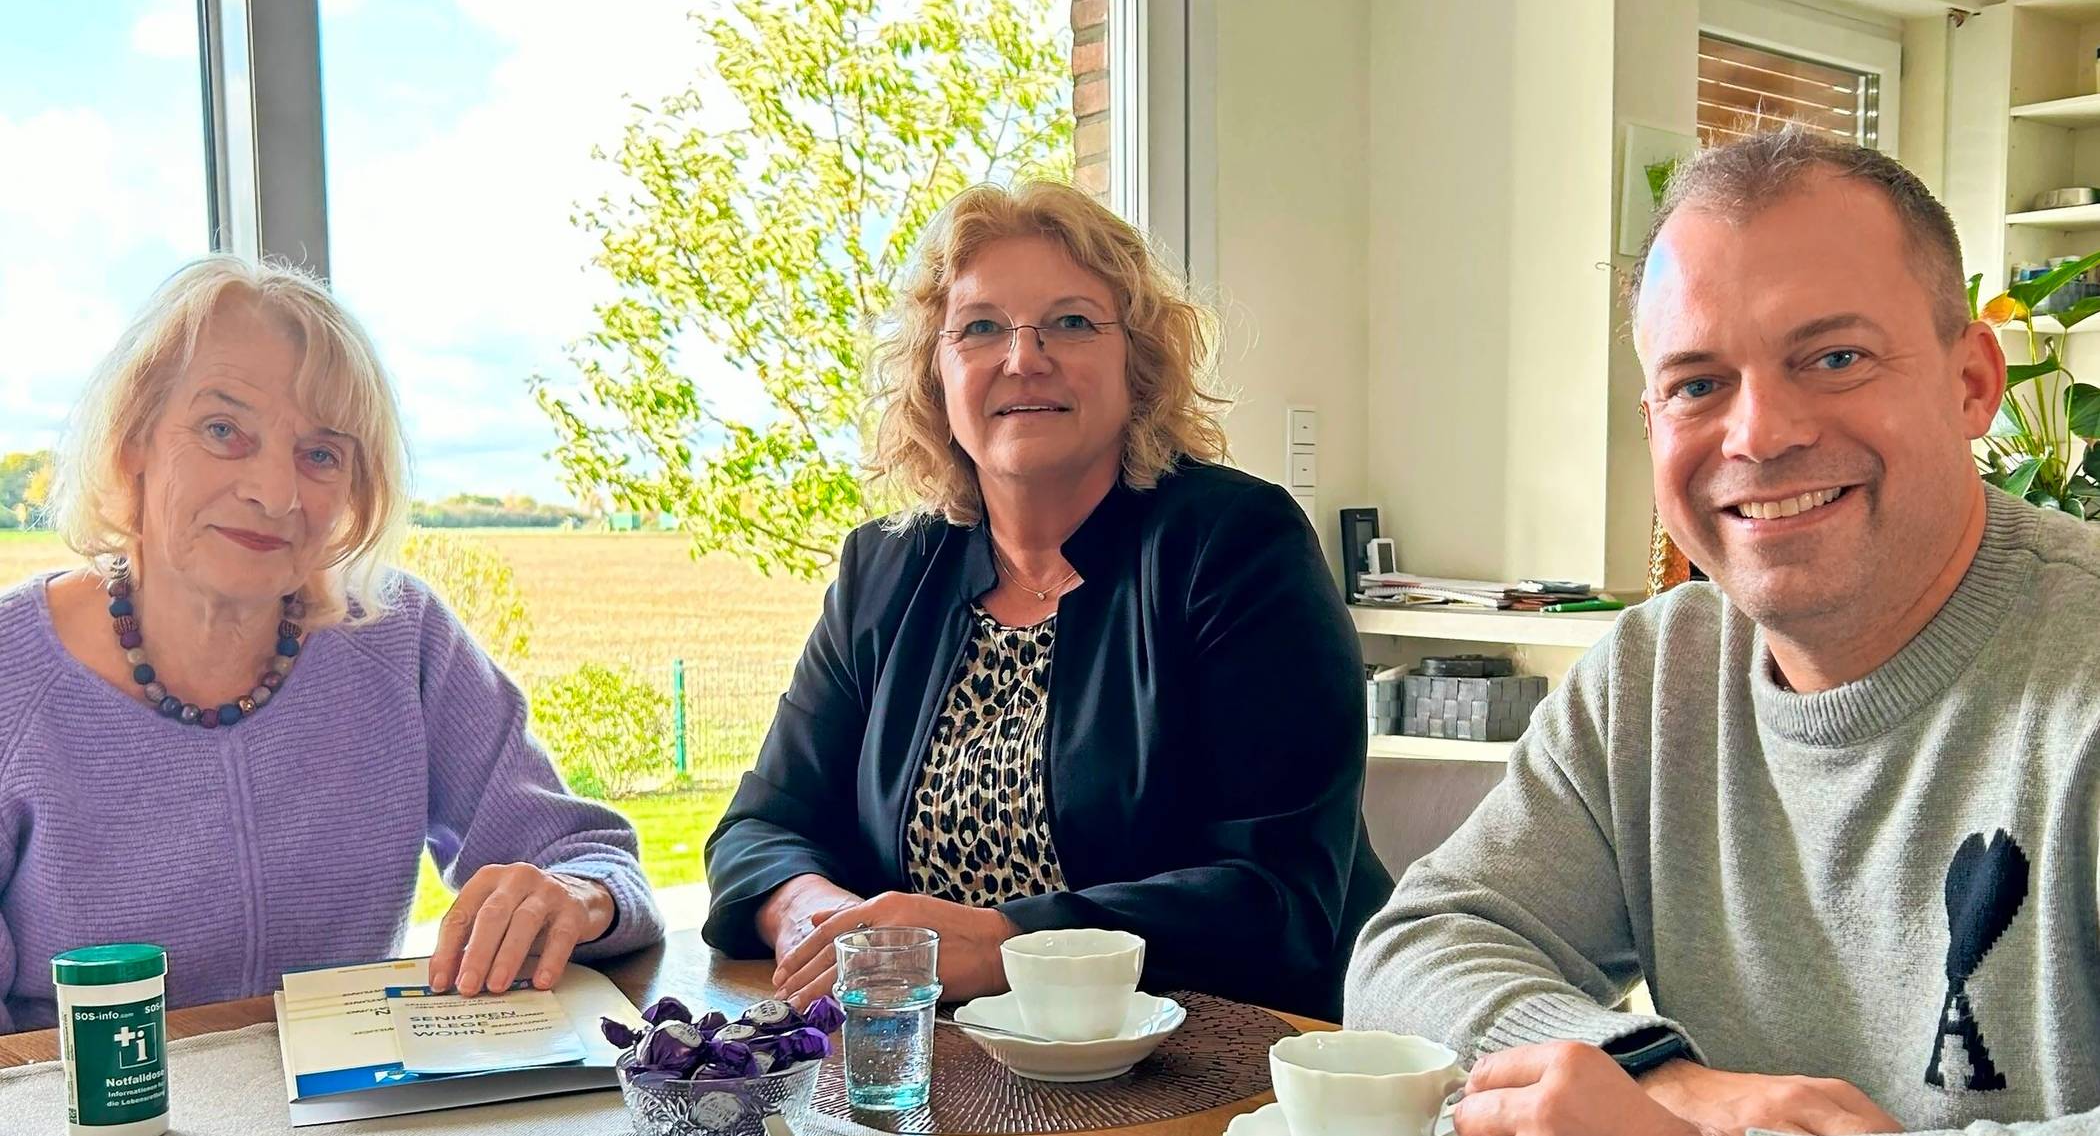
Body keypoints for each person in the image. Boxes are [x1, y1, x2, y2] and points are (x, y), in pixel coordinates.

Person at [1347, 125, 2100, 1136]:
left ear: (1972, 383)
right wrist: (1659, 1078)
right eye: (1698, 383)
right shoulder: (1657, 674)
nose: (1761, 433)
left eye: (1834, 356)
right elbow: (1417, 949)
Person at [702, 180, 1389, 1021]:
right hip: (953, 1064)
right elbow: (759, 828)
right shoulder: (882, 570)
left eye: (1069, 321)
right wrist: (807, 910)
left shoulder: (1237, 544)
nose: (1023, 358)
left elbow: (1278, 894)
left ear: (1137, 363)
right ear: (936, 371)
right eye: (981, 327)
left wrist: (1008, 945)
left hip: (1220, 1059)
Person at [0, 257, 664, 1032]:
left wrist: (574, 897)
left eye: (321, 454)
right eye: (224, 431)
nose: (276, 493)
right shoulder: (13, 671)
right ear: (132, 442)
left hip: (355, 1105)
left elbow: (592, 857)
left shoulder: (398, 634)